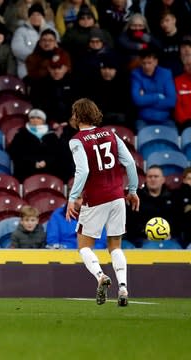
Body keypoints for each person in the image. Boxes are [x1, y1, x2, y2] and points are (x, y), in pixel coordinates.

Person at [66, 98, 140, 307]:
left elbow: (83, 170)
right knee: (115, 245)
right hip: (117, 196)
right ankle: (123, 287)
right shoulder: (111, 134)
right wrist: (132, 190)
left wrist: (73, 198)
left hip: (96, 198)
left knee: (84, 245)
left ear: (77, 116)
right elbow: (130, 163)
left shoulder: (77, 140)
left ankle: (100, 276)